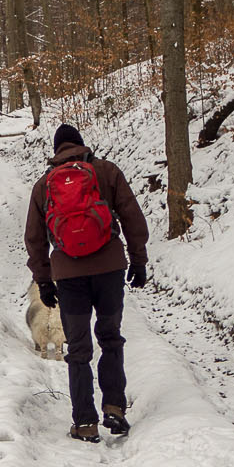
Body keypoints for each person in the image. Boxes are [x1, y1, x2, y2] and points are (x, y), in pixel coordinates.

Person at [24, 122, 149, 442]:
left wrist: (44, 280)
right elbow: (133, 216)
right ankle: (114, 408)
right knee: (110, 337)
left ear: (55, 152)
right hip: (109, 271)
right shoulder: (107, 172)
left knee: (78, 349)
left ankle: (85, 423)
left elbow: (35, 239)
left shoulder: (44, 185)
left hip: (70, 276)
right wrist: (138, 260)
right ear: (82, 145)